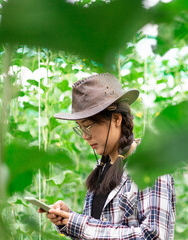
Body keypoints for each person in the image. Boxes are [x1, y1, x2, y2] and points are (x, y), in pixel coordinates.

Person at [39, 73, 176, 239]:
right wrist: (68, 220)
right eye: (80, 128)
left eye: (88, 126)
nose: (84, 136)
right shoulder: (101, 169)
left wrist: (80, 224)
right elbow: (98, 231)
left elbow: (154, 235)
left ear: (116, 119)